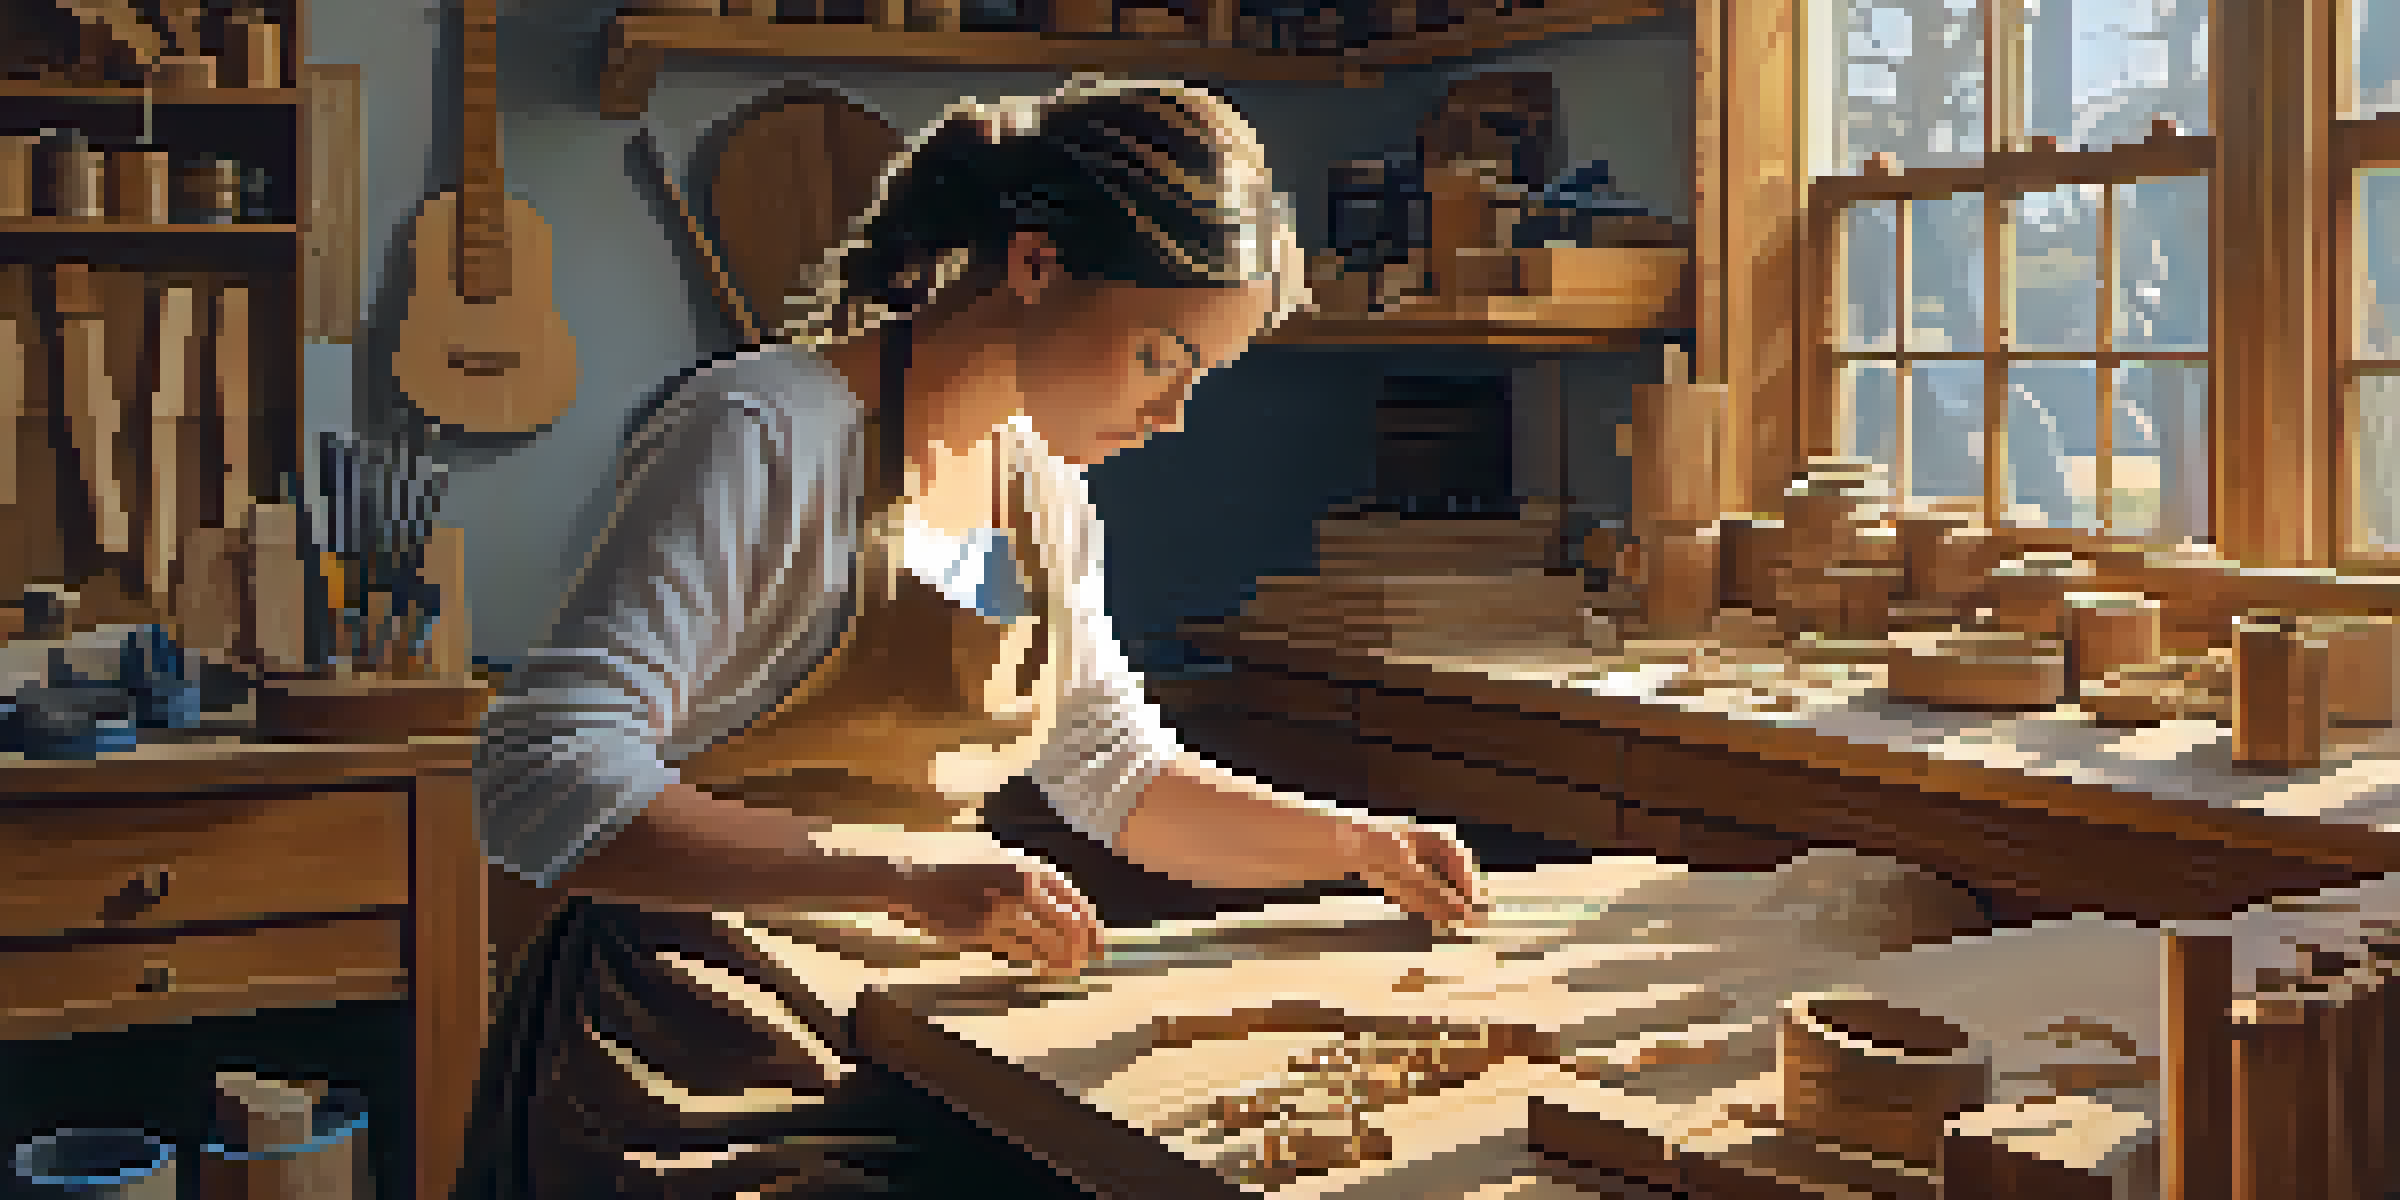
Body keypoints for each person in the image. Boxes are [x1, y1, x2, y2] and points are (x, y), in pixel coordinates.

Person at [452, 77, 1486, 1199]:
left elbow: (1115, 774)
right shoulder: (762, 434)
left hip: (916, 1037)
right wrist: (901, 875)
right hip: (691, 1061)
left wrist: (1353, 844)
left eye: (1198, 377)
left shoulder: (1044, 496)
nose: (1172, 413)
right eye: (1159, 355)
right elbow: (538, 776)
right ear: (1036, 265)